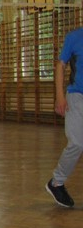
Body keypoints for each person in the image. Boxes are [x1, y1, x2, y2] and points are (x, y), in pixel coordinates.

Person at [45, 28, 83, 208]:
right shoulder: (74, 37)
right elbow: (61, 65)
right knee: (77, 143)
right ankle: (56, 182)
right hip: (77, 96)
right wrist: (60, 96)